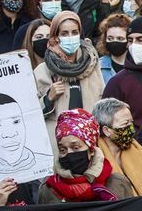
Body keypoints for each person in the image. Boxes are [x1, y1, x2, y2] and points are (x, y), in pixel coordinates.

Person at [35, 11, 105, 143]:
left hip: (91, 142)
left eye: (74, 32)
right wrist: (49, 98)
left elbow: (103, 103)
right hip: (58, 144)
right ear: (55, 37)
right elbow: (31, 115)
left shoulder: (92, 65)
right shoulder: (42, 71)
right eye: (64, 33)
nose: (70, 37)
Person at [38, 108, 118, 204]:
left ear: (91, 149)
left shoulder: (116, 183)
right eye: (63, 150)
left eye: (75, 147)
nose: (69, 154)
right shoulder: (48, 189)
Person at [92, 97, 142, 197]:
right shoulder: (93, 160)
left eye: (131, 122)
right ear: (107, 131)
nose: (132, 129)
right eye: (125, 124)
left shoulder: (140, 150)